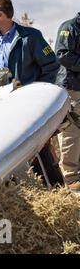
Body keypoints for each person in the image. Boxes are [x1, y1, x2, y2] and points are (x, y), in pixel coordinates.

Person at [55, 12, 80, 195]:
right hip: (72, 89)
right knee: (72, 132)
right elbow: (62, 54)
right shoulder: (69, 27)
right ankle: (71, 180)